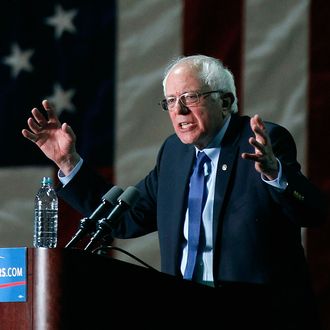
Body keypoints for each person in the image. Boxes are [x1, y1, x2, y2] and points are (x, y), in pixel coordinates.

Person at [22, 54, 326, 328]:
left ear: (225, 101)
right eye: (170, 100)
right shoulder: (174, 154)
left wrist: (275, 174)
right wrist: (68, 162)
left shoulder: (262, 142)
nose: (178, 110)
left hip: (258, 316)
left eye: (190, 97)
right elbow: (127, 218)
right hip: (183, 313)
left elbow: (313, 211)